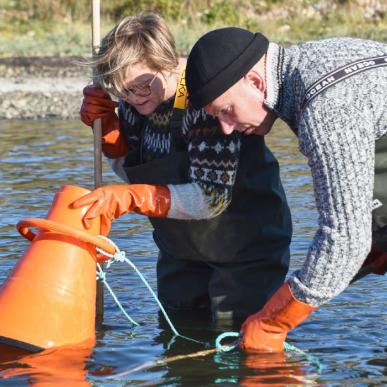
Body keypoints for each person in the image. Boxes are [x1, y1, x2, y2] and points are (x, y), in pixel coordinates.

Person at [73, 13, 292, 324]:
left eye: (142, 86)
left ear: (168, 61)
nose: (134, 98)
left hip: (245, 249)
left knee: (241, 340)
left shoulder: (205, 103)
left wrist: (131, 198)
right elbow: (137, 172)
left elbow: (211, 198)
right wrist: (110, 135)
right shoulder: (135, 106)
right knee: (177, 332)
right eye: (122, 91)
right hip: (180, 251)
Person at [184, 27, 387, 351]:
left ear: (255, 82)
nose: (225, 127)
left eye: (225, 110)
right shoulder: (322, 58)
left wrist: (272, 323)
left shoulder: (325, 105)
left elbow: (345, 242)